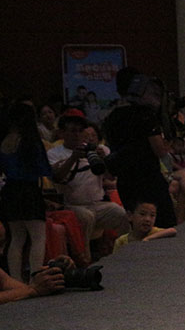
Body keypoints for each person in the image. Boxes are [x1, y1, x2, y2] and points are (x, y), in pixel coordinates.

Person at [47, 109, 130, 265]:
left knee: (121, 214)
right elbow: (57, 177)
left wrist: (104, 160)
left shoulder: (96, 150)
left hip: (98, 204)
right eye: (73, 131)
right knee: (86, 217)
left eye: (80, 131)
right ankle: (86, 261)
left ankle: (124, 256)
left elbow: (111, 177)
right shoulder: (54, 153)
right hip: (71, 205)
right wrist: (73, 158)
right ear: (62, 132)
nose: (77, 134)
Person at [102, 67, 177, 228]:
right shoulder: (145, 115)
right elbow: (160, 150)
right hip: (148, 178)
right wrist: (170, 130)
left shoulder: (112, 117)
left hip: (125, 180)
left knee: (138, 228)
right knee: (162, 227)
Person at [1, 103, 53, 282]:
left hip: (10, 191)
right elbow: (44, 169)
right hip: (29, 191)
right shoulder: (31, 142)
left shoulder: (4, 141)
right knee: (38, 237)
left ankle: (16, 281)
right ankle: (35, 278)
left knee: (16, 238)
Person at [112, 199, 176, 253]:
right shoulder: (121, 242)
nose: (148, 219)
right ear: (130, 216)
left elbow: (172, 231)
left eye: (152, 215)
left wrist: (147, 239)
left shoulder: (155, 232)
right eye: (142, 214)